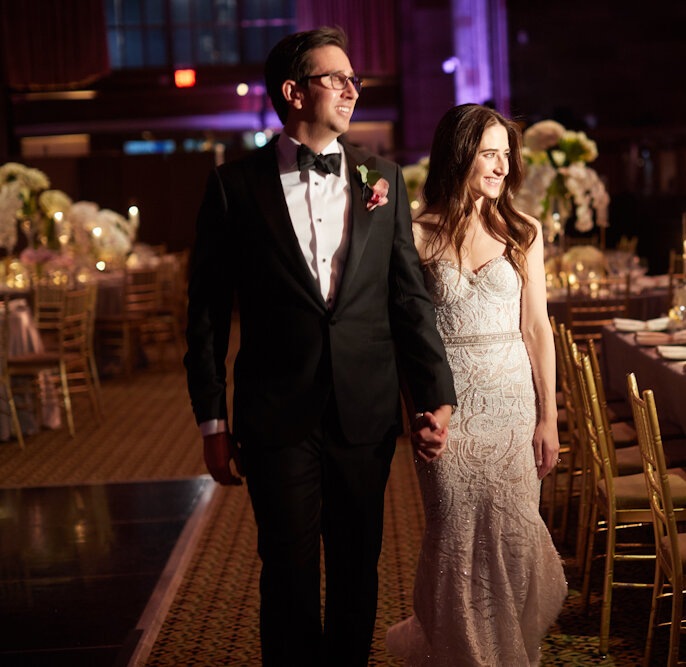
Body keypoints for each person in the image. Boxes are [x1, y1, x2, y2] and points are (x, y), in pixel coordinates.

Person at [183, 26, 456, 666]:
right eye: (336, 77)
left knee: (360, 566)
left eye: (354, 78)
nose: (352, 89)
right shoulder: (233, 186)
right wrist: (212, 420)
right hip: (276, 413)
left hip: (363, 409)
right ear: (293, 92)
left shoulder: (380, 178)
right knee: (287, 570)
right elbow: (206, 317)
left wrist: (435, 396)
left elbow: (409, 298)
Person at [386, 104, 567, 665]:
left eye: (506, 155)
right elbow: (404, 339)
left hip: (513, 406)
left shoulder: (522, 230)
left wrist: (548, 417)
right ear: (459, 154)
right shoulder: (414, 234)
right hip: (448, 411)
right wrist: (416, 414)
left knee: (513, 540)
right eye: (490, 153)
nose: (502, 167)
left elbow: (537, 328)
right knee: (455, 540)